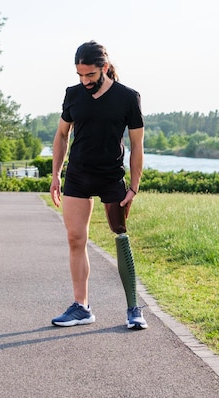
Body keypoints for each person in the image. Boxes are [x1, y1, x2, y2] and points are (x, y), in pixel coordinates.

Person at [49, 40, 147, 330]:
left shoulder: (127, 97)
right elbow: (62, 135)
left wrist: (134, 186)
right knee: (75, 238)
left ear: (104, 68)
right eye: (80, 75)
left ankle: (133, 308)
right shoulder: (73, 95)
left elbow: (137, 145)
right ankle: (81, 307)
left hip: (111, 176)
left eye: (90, 75)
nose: (85, 81)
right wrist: (56, 174)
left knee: (120, 237)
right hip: (78, 175)